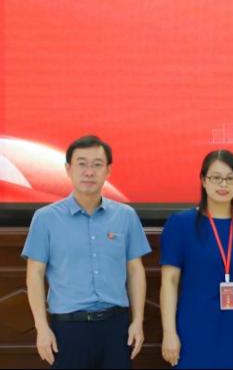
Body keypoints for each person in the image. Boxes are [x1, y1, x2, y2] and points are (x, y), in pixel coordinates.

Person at [23, 135, 151, 369]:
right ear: (68, 169)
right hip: (68, 329)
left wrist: (138, 321)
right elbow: (34, 274)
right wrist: (41, 328)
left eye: (97, 165)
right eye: (81, 164)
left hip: (116, 327)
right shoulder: (45, 218)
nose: (89, 172)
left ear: (108, 171)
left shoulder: (125, 216)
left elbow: (135, 270)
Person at [159, 150, 233, 368]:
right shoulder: (180, 224)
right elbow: (169, 282)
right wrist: (169, 332)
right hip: (195, 324)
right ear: (203, 180)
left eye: (230, 178)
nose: (223, 184)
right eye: (216, 178)